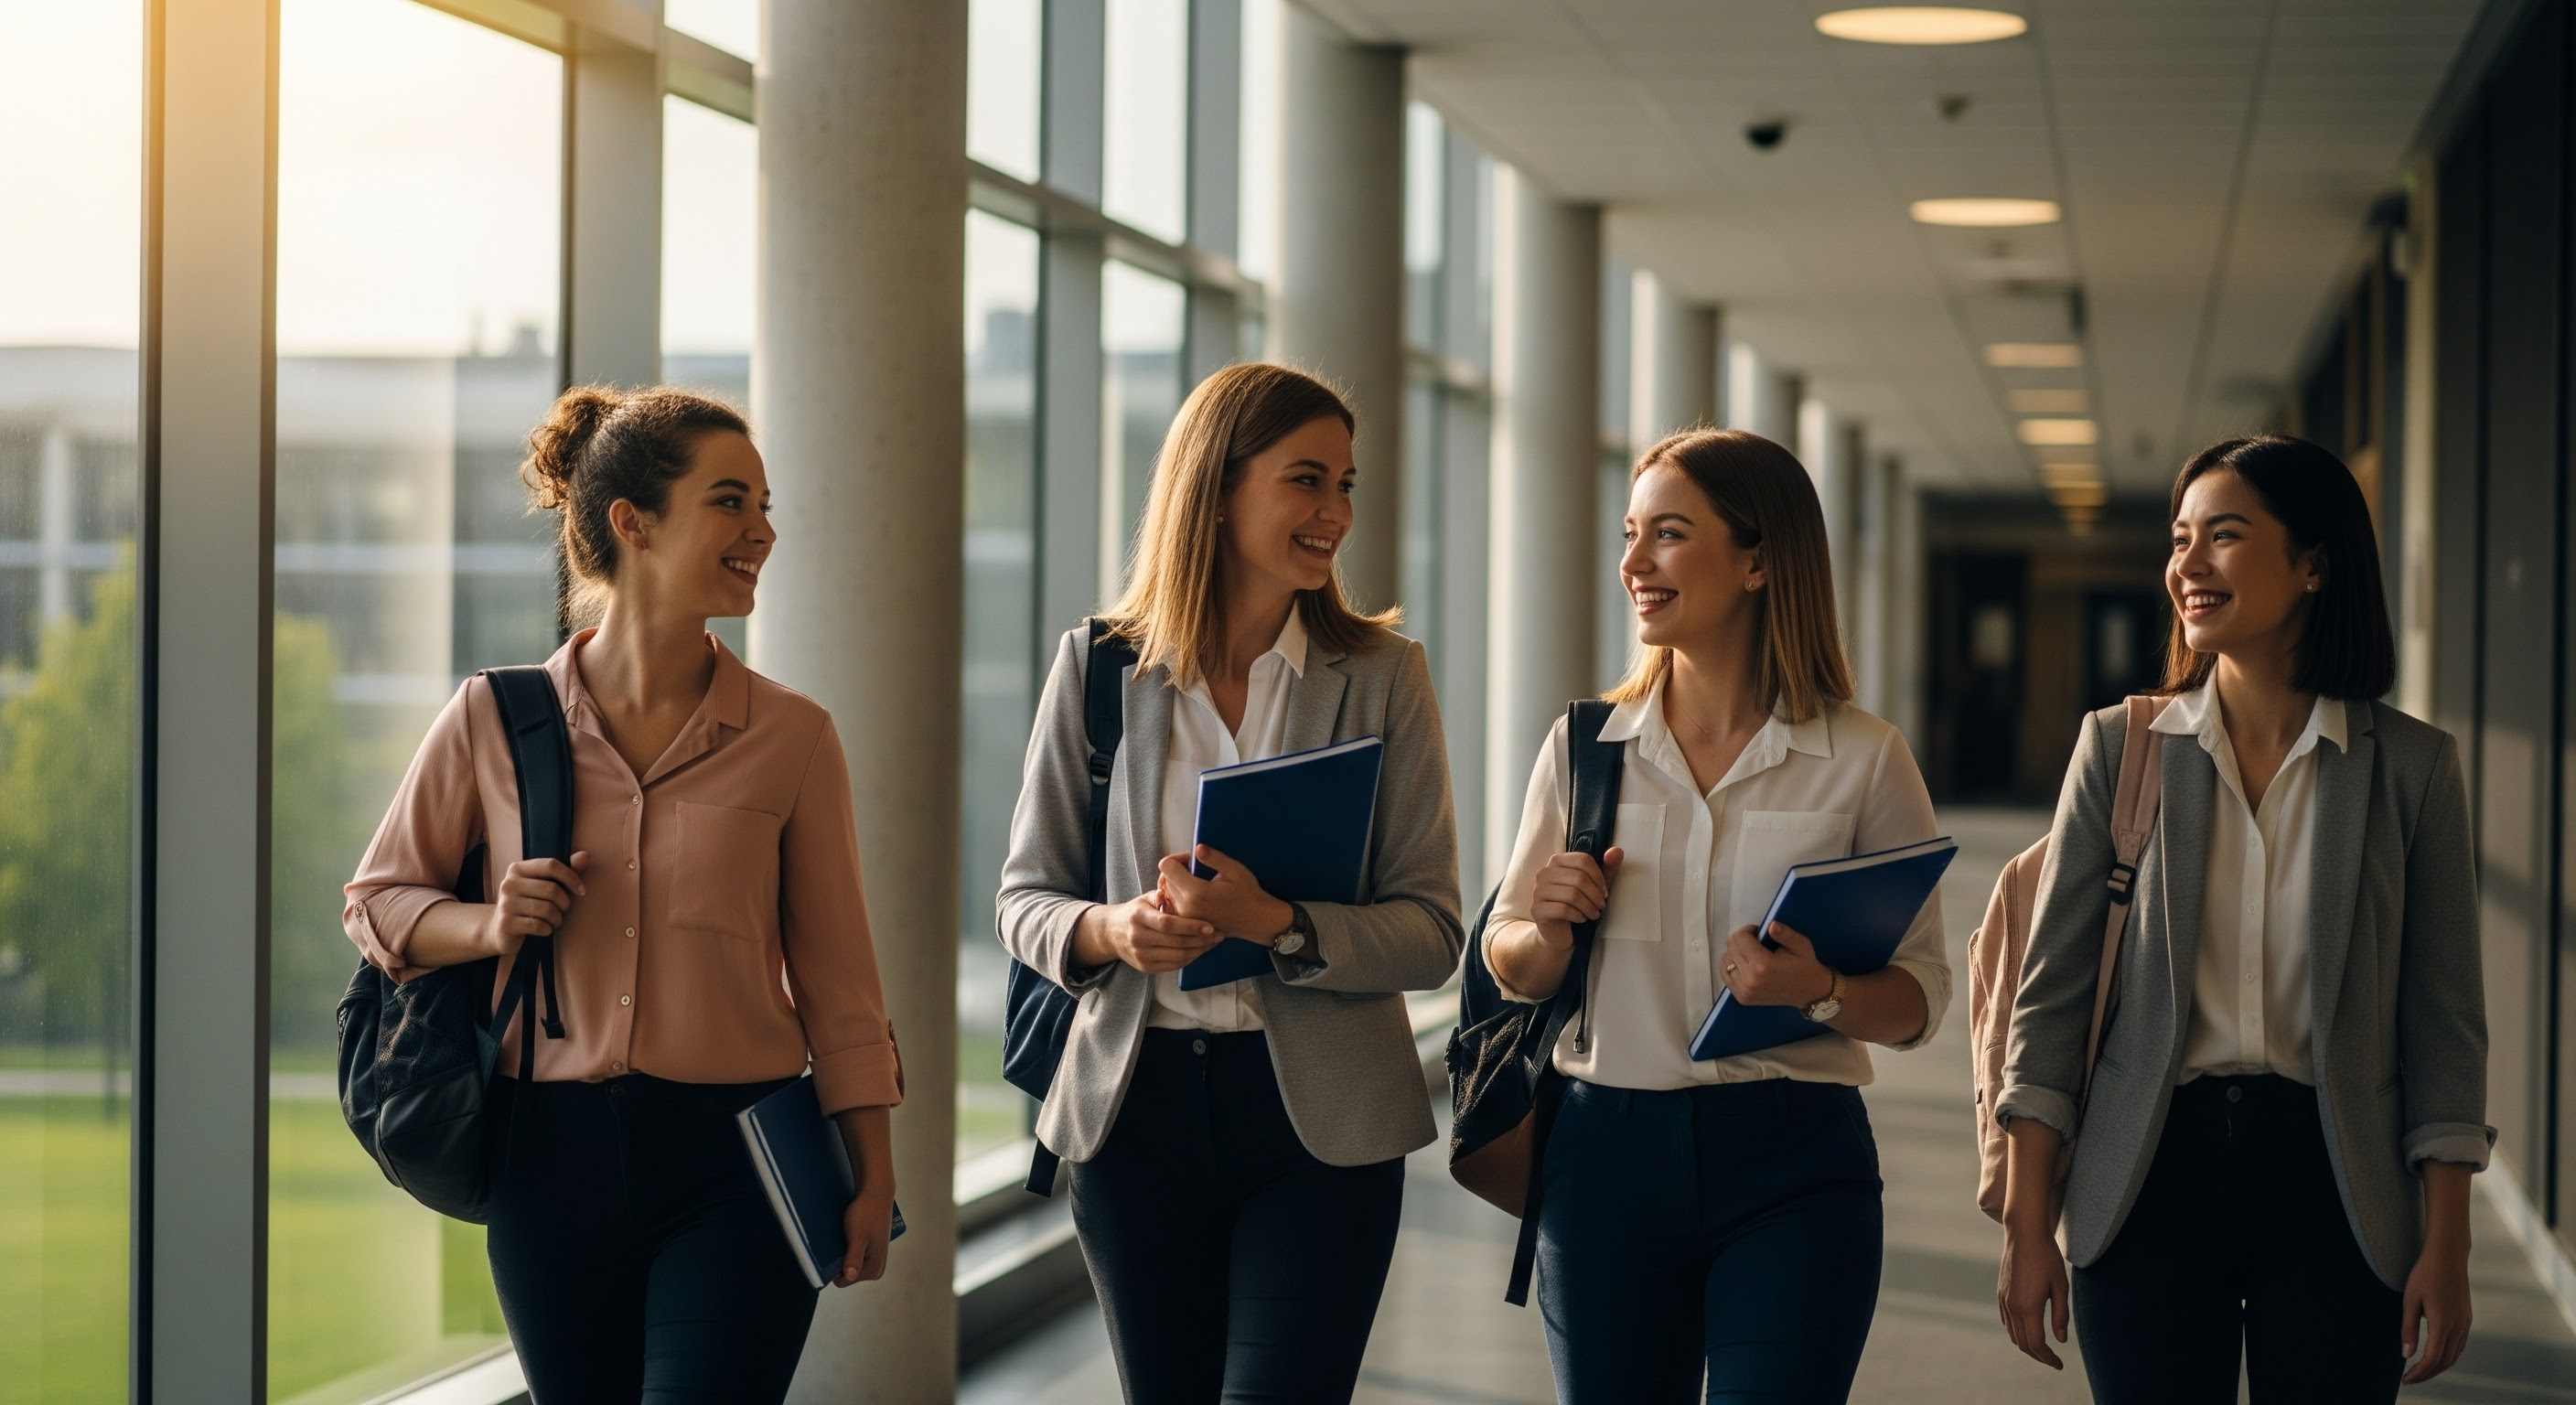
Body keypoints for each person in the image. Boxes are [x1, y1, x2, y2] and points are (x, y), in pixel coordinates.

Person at [342, 386, 901, 1403]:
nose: (762, 531)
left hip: (743, 1161)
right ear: (631, 523)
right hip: (547, 1162)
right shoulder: (492, 719)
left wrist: (874, 1173)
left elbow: (840, 987)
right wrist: (489, 922)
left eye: (765, 505)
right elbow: (377, 903)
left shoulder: (793, 737)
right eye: (731, 503)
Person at [994, 361, 1465, 1403]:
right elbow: (1024, 900)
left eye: (1345, 485)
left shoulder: (1383, 676)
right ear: (1216, 484)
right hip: (1136, 1114)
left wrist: (1281, 924)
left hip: (1322, 1124)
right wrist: (1114, 931)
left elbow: (1433, 932)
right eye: (1306, 480)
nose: (1334, 512)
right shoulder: (1101, 668)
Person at [1994, 434, 2490, 1402]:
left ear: (2312, 564)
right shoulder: (2119, 748)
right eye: (2179, 539)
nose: (2186, 563)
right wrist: (2023, 1227)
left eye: (2223, 536)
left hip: (2337, 1181)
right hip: (2146, 1173)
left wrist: (2447, 1242)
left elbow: (2443, 1027)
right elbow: (2046, 1005)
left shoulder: (2411, 769)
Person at [1484, 428, 1949, 1404]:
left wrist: (1817, 990)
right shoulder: (1586, 750)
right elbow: (1509, 964)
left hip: (1794, 1163)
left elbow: (1916, 1005)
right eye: (1629, 534)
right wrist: (1548, 931)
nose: (1632, 564)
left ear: (1757, 560)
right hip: (1602, 1159)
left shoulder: (1862, 758)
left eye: (1666, 535)